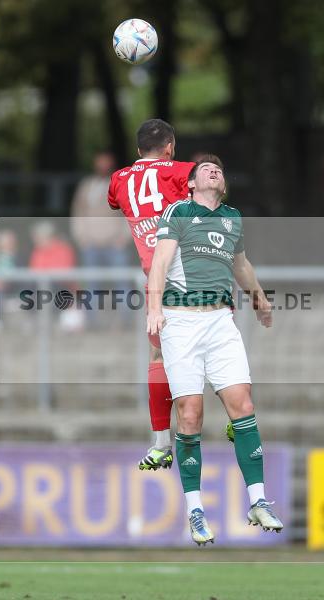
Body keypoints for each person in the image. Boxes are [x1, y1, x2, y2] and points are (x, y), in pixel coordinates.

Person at [146, 155, 283, 545]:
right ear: (190, 184)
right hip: (181, 321)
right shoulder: (180, 211)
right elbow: (160, 263)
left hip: (221, 321)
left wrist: (259, 300)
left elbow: (241, 264)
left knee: (243, 405)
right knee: (190, 414)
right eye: (205, 168)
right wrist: (154, 308)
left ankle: (258, 500)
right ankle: (195, 509)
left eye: (219, 170)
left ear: (223, 185)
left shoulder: (232, 217)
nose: (213, 170)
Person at [107, 118, 197, 471]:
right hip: (195, 272)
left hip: (156, 280)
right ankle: (237, 421)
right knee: (217, 344)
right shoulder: (182, 172)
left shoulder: (119, 180)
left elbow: (116, 202)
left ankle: (161, 441)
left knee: (159, 355)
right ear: (171, 146)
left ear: (137, 150)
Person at [70, 151, 131, 328]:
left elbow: (129, 212)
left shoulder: (120, 184)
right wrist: (81, 237)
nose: (103, 166)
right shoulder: (86, 186)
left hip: (114, 243)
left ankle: (125, 321)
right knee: (91, 283)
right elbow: (78, 212)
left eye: (106, 163)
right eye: (100, 163)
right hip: (91, 243)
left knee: (122, 282)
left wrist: (123, 237)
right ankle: (92, 322)